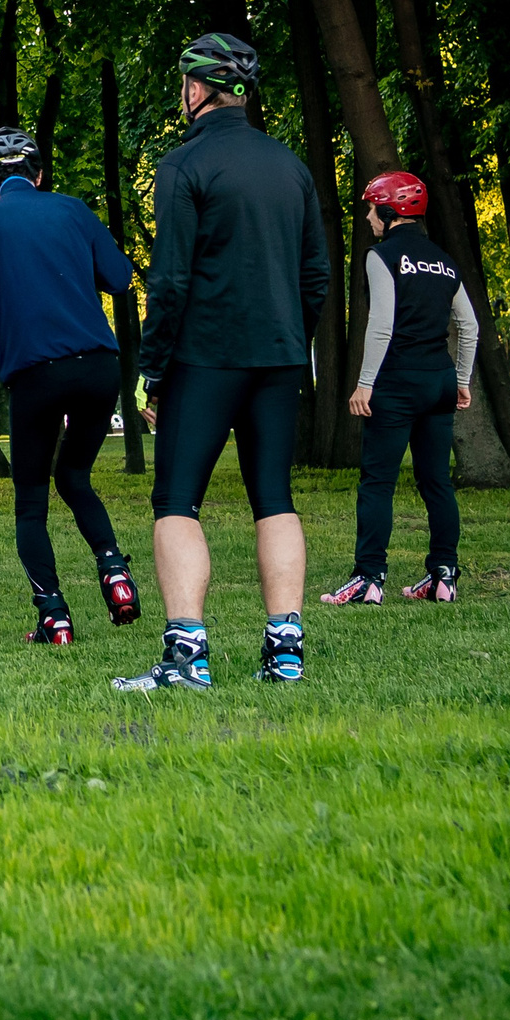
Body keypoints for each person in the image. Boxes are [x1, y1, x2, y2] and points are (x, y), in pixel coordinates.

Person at [117, 34, 330, 693]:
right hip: (278, 357)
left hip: (204, 356)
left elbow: (171, 281)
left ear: (196, 89)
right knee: (274, 497)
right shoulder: (291, 166)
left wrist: (152, 369)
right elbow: (316, 274)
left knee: (177, 499)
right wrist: (292, 341)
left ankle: (187, 657)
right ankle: (284, 650)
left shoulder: (183, 166)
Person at [0, 128, 143, 644]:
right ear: (40, 174)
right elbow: (119, 278)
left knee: (31, 499)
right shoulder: (72, 209)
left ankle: (54, 616)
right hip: (97, 367)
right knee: (74, 477)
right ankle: (115, 573)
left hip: (36, 373)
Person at [321, 171, 476, 607]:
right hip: (439, 381)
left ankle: (369, 578)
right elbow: (469, 326)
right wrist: (461, 380)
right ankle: (443, 577)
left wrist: (364, 384)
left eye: (373, 209)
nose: (369, 217)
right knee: (437, 483)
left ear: (390, 212)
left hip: (397, 382)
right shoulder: (444, 260)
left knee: (377, 482)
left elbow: (382, 324)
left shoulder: (381, 255)